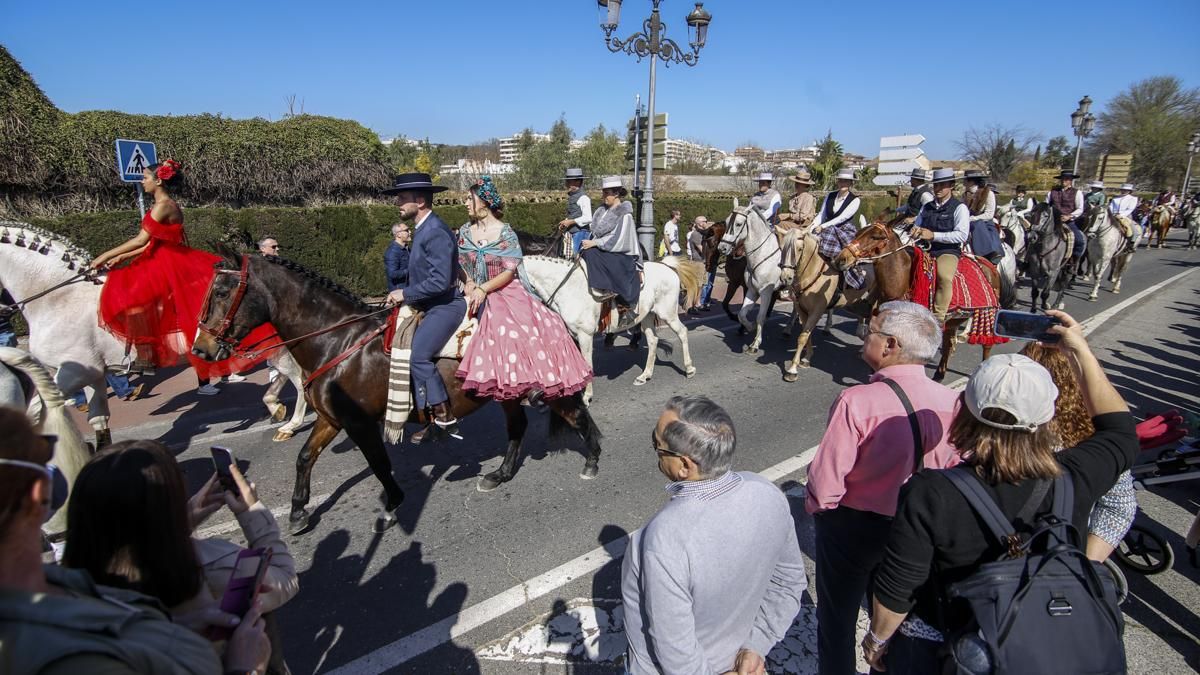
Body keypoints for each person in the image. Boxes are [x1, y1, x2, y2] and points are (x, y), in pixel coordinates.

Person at [863, 312, 1138, 672]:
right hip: (1041, 635)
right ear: (1045, 416)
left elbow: (898, 588)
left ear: (966, 410)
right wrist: (1079, 350)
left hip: (948, 642)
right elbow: (1119, 430)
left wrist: (877, 640)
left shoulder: (932, 492)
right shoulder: (1075, 474)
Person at [0, 409, 269, 675]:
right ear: (38, 494)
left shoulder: (61, 582)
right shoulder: (76, 658)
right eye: (46, 451)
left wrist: (170, 626)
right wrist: (244, 667)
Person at [806, 301, 962, 675]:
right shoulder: (953, 400)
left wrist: (820, 511)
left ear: (891, 345)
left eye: (869, 331)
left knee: (838, 620)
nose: (863, 337)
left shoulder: (856, 401)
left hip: (856, 526)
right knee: (898, 619)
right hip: (919, 529)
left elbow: (826, 486)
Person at [63, 438, 293, 674]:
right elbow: (285, 579)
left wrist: (185, 517)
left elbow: (134, 537)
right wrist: (251, 511)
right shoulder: (210, 567)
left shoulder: (65, 593)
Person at [622, 396, 806, 674]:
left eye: (657, 446)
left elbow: (675, 650)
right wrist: (757, 645)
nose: (656, 454)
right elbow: (789, 581)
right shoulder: (768, 493)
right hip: (739, 661)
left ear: (685, 465)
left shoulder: (664, 538)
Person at [89, 159, 272, 396]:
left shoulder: (164, 205)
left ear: (158, 180)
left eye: (145, 177)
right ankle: (148, 356)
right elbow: (151, 244)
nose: (142, 181)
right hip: (159, 258)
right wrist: (121, 257)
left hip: (168, 263)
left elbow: (141, 241)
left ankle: (147, 355)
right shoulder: (160, 204)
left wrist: (104, 255)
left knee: (133, 297)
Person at [455, 176, 592, 401]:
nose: (466, 203)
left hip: (504, 290)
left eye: (470, 199)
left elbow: (509, 271)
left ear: (484, 202)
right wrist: (469, 281)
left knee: (512, 328)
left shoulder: (505, 233)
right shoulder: (465, 231)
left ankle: (528, 382)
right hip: (472, 289)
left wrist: (483, 289)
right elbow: (461, 263)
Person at [1021, 341, 1136, 563]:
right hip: (1067, 553)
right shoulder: (1095, 436)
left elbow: (1118, 506)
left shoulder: (999, 434)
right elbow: (1119, 506)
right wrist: (1087, 562)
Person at [382, 173, 467, 436]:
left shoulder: (436, 232)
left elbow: (441, 282)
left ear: (420, 201)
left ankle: (443, 415)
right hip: (429, 303)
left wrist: (404, 293)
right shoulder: (422, 229)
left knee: (418, 355)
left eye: (402, 198)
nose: (397, 202)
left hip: (445, 305)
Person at [580, 176, 643, 332]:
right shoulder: (601, 212)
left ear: (616, 194)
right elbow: (596, 233)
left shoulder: (625, 215)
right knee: (585, 252)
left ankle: (615, 297)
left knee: (592, 253)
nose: (603, 196)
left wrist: (595, 243)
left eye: (606, 193)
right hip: (607, 250)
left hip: (621, 254)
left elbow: (619, 240)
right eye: (603, 193)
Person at [909, 168, 969, 324]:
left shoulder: (959, 208)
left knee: (944, 276)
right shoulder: (926, 207)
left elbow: (962, 235)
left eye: (943, 185)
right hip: (923, 247)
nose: (938, 189)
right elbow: (918, 225)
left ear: (951, 186)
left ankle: (939, 316)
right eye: (936, 185)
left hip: (947, 250)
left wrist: (934, 235)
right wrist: (915, 231)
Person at [813, 168, 863, 289]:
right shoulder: (830, 196)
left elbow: (841, 218)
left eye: (846, 181)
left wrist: (823, 226)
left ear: (851, 183)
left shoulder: (855, 200)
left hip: (844, 230)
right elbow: (821, 214)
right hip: (826, 228)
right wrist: (812, 227)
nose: (843, 183)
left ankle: (847, 278)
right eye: (841, 180)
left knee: (845, 254)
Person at [1047, 169, 1086, 264]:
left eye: (1067, 179)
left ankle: (1073, 261)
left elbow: (1080, 208)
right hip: (1053, 220)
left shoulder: (1077, 193)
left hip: (1068, 221)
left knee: (1079, 241)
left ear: (1071, 180)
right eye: (1062, 179)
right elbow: (1047, 205)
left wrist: (1069, 216)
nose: (1064, 181)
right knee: (1034, 236)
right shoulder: (1052, 192)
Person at [963, 170, 1000, 262]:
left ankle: (988, 253)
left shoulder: (988, 193)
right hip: (967, 221)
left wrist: (972, 218)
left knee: (977, 224)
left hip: (984, 223)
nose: (963, 183)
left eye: (965, 180)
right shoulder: (965, 195)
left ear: (971, 182)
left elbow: (989, 214)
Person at [558, 167, 594, 256]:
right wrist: (566, 223)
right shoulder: (572, 197)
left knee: (576, 259)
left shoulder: (584, 198)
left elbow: (588, 218)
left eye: (569, 181)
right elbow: (573, 214)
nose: (566, 184)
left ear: (577, 182)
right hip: (573, 233)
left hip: (581, 233)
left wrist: (570, 222)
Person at [384, 222, 412, 292]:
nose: (410, 232)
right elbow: (392, 274)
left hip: (409, 291)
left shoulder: (407, 249)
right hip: (399, 293)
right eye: (406, 230)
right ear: (398, 234)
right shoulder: (392, 252)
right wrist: (412, 270)